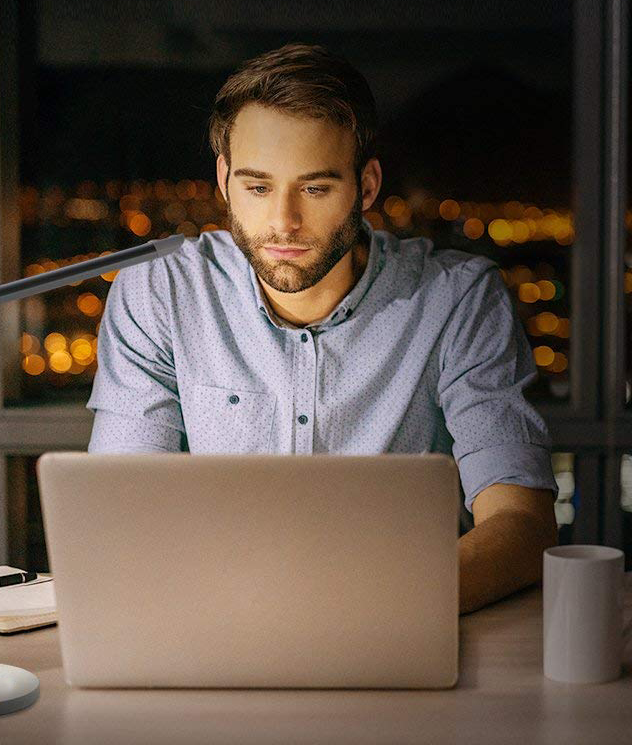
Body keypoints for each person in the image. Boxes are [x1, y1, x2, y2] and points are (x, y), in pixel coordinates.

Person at [86, 43, 559, 613]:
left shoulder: (458, 299)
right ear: (224, 180)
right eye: (258, 188)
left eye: (315, 188)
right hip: (221, 624)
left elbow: (521, 524)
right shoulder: (159, 292)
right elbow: (124, 517)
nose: (283, 221)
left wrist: (374, 611)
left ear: (365, 186)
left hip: (404, 625)